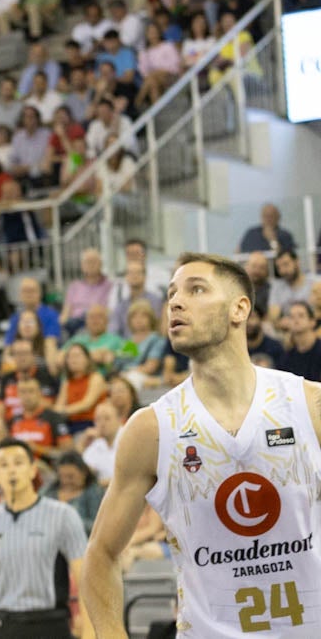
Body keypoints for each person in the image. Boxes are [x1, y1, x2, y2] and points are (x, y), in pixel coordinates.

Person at [82, 253, 321, 638]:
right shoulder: (152, 428)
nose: (175, 302)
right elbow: (100, 554)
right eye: (172, 293)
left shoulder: (309, 405)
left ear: (239, 309)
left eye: (196, 289)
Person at [0, 440, 87, 639]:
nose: (11, 471)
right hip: (6, 625)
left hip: (50, 624)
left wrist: (90, 634)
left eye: (18, 463)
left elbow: (86, 581)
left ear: (33, 470)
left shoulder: (63, 515)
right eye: (3, 465)